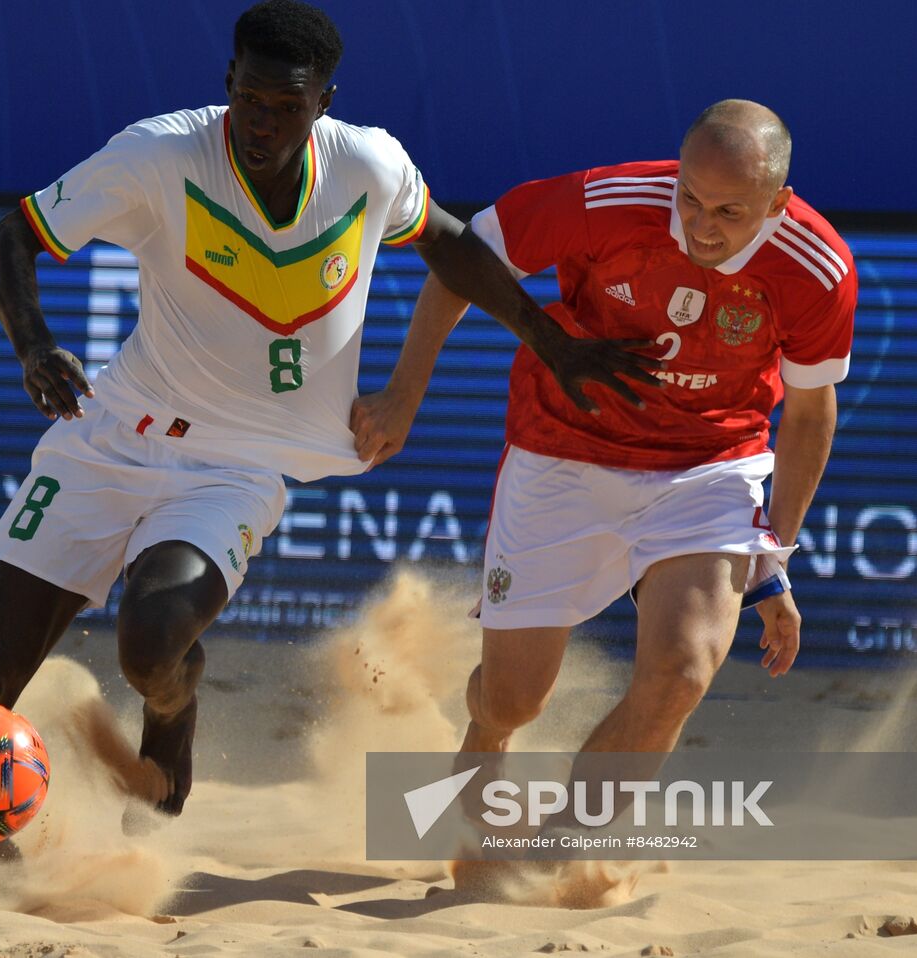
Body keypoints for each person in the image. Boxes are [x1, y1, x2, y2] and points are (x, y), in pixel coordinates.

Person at [0, 0, 659, 827]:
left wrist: (551, 339)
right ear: (229, 82)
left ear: (323, 102)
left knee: (152, 645)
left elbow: (449, 245)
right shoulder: (159, 155)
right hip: (111, 435)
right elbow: (14, 236)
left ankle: (170, 709)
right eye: (250, 99)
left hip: (238, 466)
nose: (262, 122)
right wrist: (34, 345)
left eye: (286, 106)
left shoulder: (366, 165)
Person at [362, 99, 855, 872]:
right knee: (513, 698)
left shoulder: (814, 266)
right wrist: (402, 394)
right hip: (565, 450)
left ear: (779, 203)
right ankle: (486, 740)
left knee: (683, 670)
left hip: (708, 467)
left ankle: (547, 860)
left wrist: (774, 551)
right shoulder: (608, 201)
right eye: (690, 196)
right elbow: (462, 255)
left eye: (730, 210)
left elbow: (810, 413)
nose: (702, 222)